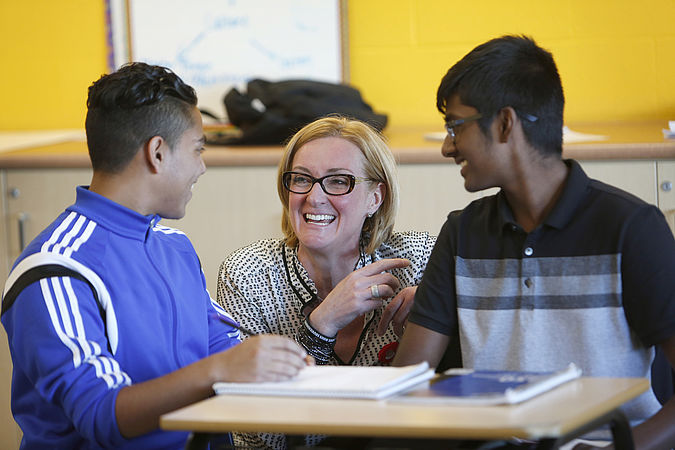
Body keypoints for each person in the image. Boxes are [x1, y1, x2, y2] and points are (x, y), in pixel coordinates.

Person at [1, 62, 309, 449]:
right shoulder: (55, 269)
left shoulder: (174, 247)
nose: (202, 167)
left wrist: (288, 358)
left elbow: (230, 351)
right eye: (198, 150)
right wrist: (219, 370)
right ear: (157, 154)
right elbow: (100, 415)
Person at [393, 35, 675, 449]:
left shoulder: (631, 228)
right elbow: (405, 385)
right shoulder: (461, 234)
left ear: (505, 123)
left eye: (455, 126)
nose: (448, 146)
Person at [217, 116, 437, 449]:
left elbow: (444, 408)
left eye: (338, 182)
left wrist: (439, 324)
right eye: (301, 179)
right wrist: (321, 325)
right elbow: (262, 434)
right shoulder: (248, 274)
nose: (314, 197)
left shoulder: (418, 259)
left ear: (375, 198)